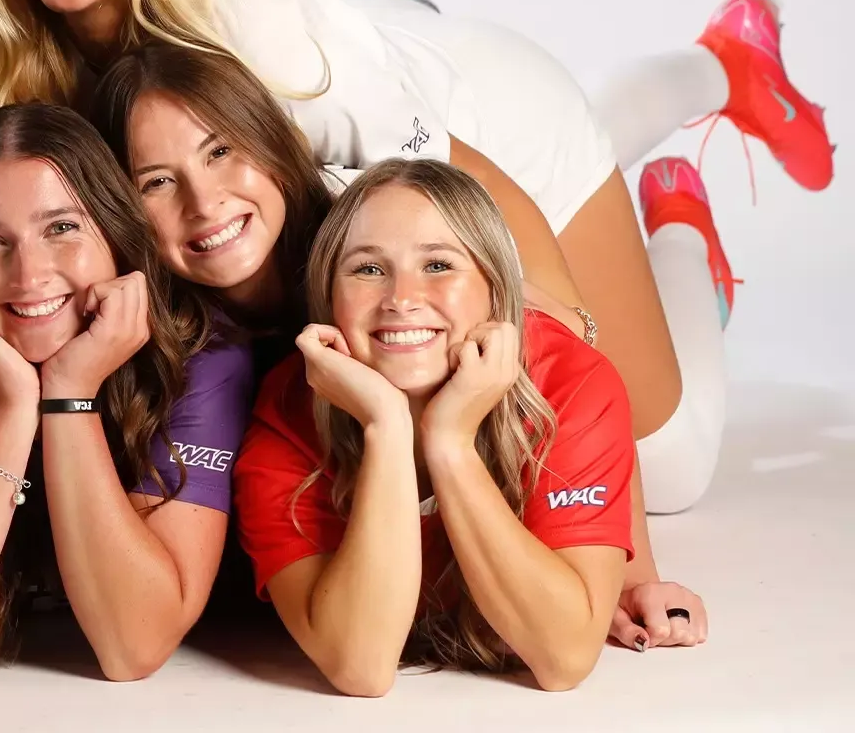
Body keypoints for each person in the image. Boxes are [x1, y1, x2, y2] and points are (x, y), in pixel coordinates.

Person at [0, 0, 826, 511]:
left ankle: (707, 131)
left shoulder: (259, 33)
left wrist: (560, 364)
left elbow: (473, 185)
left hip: (493, 125)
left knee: (663, 463)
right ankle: (389, 20)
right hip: (377, 86)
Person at [91, 44, 707, 655]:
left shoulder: (381, 231)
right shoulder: (175, 337)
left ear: (275, 147)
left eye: (222, 151)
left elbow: (574, 372)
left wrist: (630, 571)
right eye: (156, 182)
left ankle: (690, 188)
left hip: (516, 144)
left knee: (678, 458)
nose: (204, 204)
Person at [233, 158, 690, 694]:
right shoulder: (284, 414)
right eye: (367, 269)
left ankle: (684, 227)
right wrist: (386, 427)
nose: (401, 299)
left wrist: (449, 443)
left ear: (497, 290)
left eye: (438, 265)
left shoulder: (571, 381)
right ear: (327, 299)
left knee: (686, 457)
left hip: (638, 406)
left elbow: (564, 656)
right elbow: (359, 665)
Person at [0, 103, 251, 684]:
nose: (28, 274)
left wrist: (69, 395)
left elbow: (133, 647)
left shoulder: (202, 356)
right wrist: (10, 409)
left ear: (115, 233)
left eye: (62, 228)